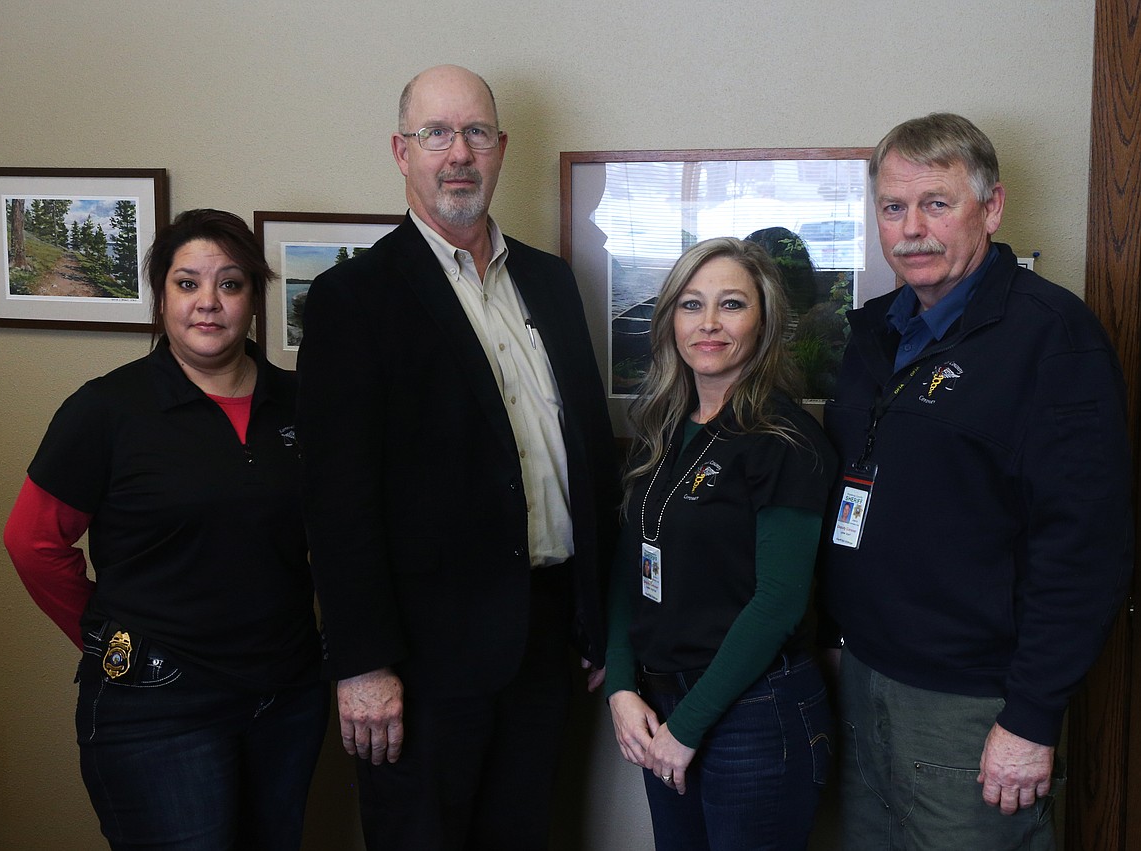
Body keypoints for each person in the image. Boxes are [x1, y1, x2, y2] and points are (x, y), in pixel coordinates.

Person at [295, 65, 618, 851]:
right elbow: (337, 503)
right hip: (421, 661)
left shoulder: (548, 280)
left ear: (502, 148)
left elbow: (588, 453)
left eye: (475, 132)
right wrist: (363, 664)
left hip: (544, 641)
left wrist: (599, 616)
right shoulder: (353, 299)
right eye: (435, 133)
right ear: (401, 152)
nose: (458, 153)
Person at [820, 113, 1133, 850]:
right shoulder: (872, 334)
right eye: (893, 208)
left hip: (974, 704)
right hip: (864, 677)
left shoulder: (1051, 336)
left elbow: (1084, 548)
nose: (911, 229)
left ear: (991, 208)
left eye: (937, 203)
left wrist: (1030, 716)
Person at [2, 209, 328, 851]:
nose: (208, 303)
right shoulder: (107, 410)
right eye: (187, 284)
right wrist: (109, 639)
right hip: (158, 703)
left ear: (254, 299)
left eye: (230, 284)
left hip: (285, 698)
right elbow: (33, 543)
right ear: (160, 295)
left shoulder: (303, 404)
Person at [604, 237, 837, 850]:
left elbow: (779, 603)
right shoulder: (666, 428)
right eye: (690, 305)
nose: (708, 324)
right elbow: (634, 570)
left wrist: (687, 728)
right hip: (664, 702)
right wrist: (622, 687)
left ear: (764, 323)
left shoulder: (785, 441)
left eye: (731, 305)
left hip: (753, 714)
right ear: (668, 321)